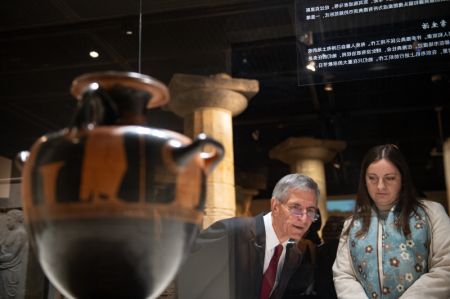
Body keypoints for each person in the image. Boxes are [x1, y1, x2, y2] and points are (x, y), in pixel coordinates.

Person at [332, 144, 450, 298]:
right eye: (372, 178)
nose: (380, 186)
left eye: (390, 178)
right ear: (364, 180)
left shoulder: (432, 213)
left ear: (402, 178)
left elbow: (445, 266)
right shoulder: (353, 223)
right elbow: (344, 275)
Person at [177, 173, 321, 299]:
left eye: (310, 211)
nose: (303, 218)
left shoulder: (293, 255)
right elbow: (183, 286)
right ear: (275, 206)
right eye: (295, 208)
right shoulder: (231, 233)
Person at [0, 209, 28, 299]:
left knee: (9, 294)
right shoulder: (11, 232)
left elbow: (11, 255)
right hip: (4, 267)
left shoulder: (21, 234)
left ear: (16, 220)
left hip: (11, 270)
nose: (7, 222)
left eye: (9, 219)